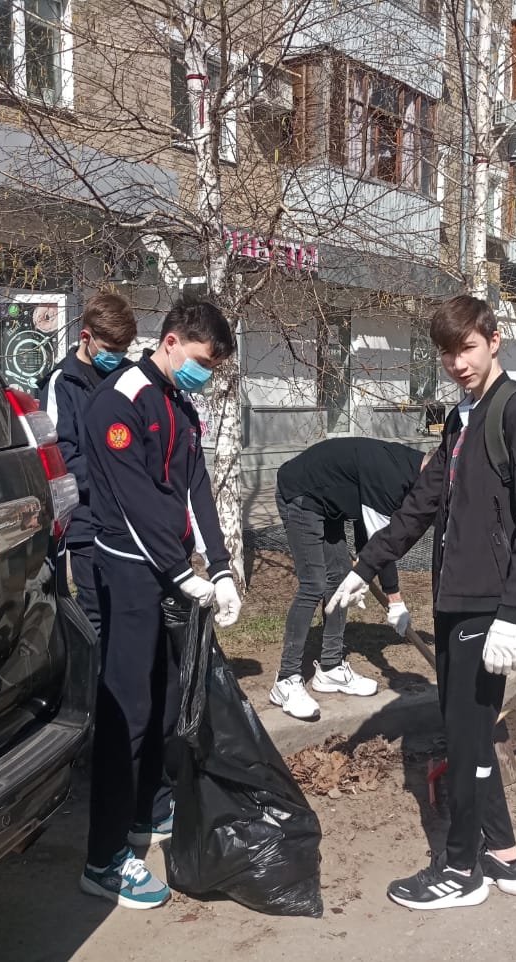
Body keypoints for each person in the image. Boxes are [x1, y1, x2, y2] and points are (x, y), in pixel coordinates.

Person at [327, 294, 516, 910]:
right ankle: (505, 857)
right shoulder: (461, 419)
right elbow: (420, 506)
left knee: (466, 740)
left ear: (494, 341)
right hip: (455, 599)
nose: (457, 363)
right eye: (447, 353)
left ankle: (461, 872)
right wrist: (365, 565)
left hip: (490, 606)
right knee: (469, 735)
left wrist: (512, 616)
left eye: (467, 348)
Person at [77, 298, 241, 910]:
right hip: (126, 571)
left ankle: (147, 808)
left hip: (169, 575)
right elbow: (134, 502)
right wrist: (179, 571)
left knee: (167, 698)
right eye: (202, 361)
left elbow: (195, 487)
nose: (205, 374)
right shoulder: (119, 401)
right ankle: (103, 859)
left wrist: (220, 566)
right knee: (129, 709)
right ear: (171, 342)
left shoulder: (179, 403)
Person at [269, 437, 429, 720]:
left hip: (330, 504)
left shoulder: (410, 473)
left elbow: (366, 535)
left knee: (340, 578)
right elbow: (380, 540)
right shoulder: (392, 478)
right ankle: (286, 679)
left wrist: (377, 581)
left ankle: (330, 669)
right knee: (313, 584)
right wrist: (395, 601)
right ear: (430, 470)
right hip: (301, 492)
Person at [39, 293, 138, 635]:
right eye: (111, 349)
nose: (118, 356)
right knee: (95, 612)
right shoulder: (61, 383)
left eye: (123, 349)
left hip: (131, 519)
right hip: (87, 521)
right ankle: (91, 670)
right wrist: (110, 484)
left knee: (130, 608)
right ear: (86, 337)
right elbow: (60, 454)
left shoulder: (130, 376)